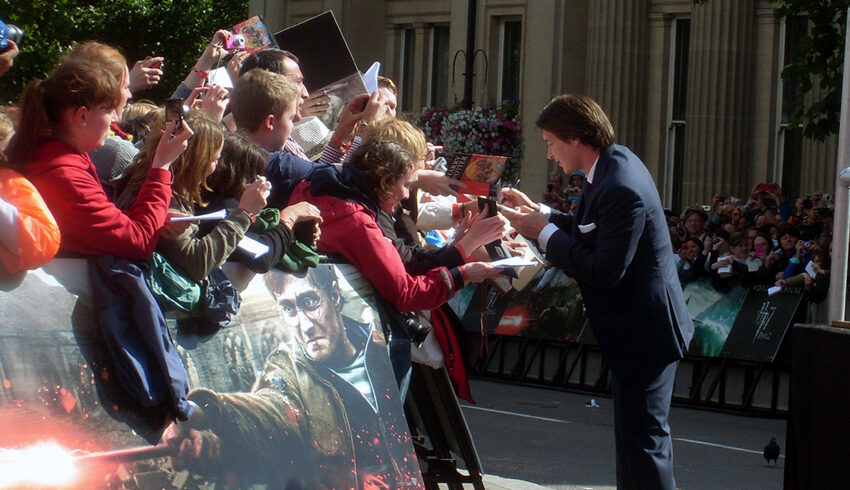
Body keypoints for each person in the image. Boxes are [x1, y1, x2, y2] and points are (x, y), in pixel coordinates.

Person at [499, 94, 693, 489]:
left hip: (647, 333)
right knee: (634, 443)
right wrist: (544, 215)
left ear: (576, 138)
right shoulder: (609, 167)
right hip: (636, 331)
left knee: (645, 444)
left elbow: (606, 270)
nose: (550, 153)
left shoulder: (621, 184)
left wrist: (545, 233)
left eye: (552, 142)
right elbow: (590, 228)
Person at [163, 266, 421, 489]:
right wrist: (200, 412)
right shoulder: (288, 372)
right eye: (288, 308)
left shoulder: (378, 348)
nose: (305, 325)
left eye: (310, 302)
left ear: (334, 294)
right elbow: (266, 412)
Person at [4, 58, 190, 260]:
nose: (116, 119)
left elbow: (103, 224)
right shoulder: (65, 174)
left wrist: (157, 218)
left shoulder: (56, 154)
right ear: (82, 116)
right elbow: (139, 241)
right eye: (108, 110)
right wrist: (162, 165)